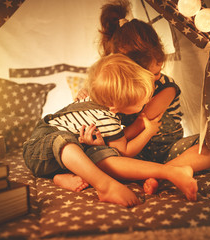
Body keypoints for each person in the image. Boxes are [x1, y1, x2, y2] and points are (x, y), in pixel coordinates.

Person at [76, 0, 210, 193]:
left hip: (168, 151)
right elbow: (100, 113)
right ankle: (158, 173)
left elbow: (141, 122)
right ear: (130, 72)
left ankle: (163, 172)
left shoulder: (166, 87)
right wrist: (89, 98)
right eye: (152, 75)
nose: (157, 78)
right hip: (132, 152)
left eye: (159, 71)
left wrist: (114, 142)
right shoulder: (118, 86)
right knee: (93, 153)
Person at [23, 54, 198, 207]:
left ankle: (60, 176)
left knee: (99, 155)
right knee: (64, 141)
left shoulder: (99, 101)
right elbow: (124, 152)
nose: (146, 102)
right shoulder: (107, 118)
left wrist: (101, 146)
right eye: (141, 102)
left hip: (59, 159)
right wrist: (148, 132)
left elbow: (115, 144)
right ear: (115, 107)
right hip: (39, 146)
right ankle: (105, 186)